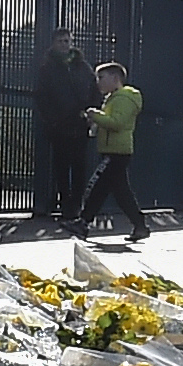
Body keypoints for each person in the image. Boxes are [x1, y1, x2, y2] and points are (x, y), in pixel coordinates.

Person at [36, 37, 98, 231]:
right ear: (53, 43)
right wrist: (52, 119)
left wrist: (91, 112)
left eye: (68, 41)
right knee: (61, 167)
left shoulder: (82, 66)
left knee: (79, 166)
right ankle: (64, 206)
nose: (65, 44)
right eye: (61, 41)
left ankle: (76, 206)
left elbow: (94, 90)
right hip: (59, 125)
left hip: (79, 123)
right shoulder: (47, 68)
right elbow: (42, 96)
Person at [84, 59, 148, 241]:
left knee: (97, 186)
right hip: (112, 150)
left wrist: (97, 116)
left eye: (101, 77)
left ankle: (83, 221)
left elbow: (117, 123)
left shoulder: (125, 98)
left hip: (117, 152)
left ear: (115, 78)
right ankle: (140, 225)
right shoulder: (112, 99)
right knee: (121, 192)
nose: (98, 82)